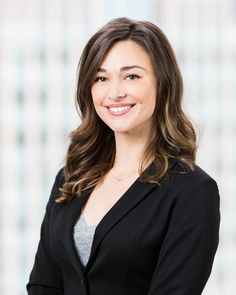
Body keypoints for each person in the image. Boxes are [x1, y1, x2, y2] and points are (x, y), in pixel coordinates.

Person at [27, 17, 220, 295]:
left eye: (131, 76)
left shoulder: (192, 192)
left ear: (162, 83)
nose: (115, 93)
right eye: (101, 78)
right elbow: (43, 284)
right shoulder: (72, 178)